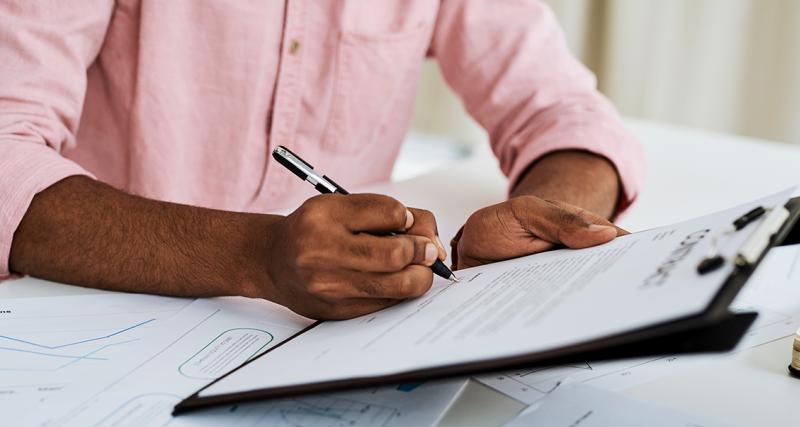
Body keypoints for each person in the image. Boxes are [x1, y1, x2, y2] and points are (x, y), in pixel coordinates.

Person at [1, 1, 644, 320]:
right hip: (94, 318)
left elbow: (564, 112)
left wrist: (553, 228)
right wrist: (255, 255)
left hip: (344, 339)